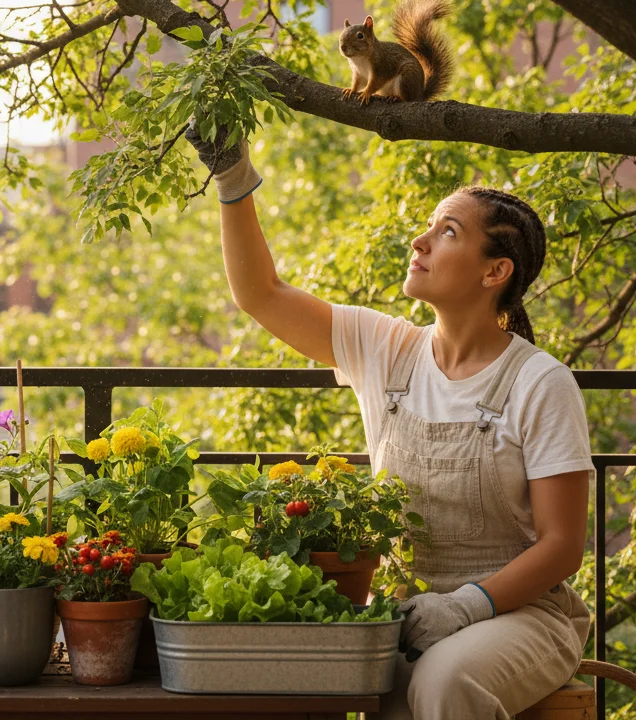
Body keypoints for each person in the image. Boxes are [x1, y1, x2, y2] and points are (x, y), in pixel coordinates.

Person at [187, 125, 594, 719]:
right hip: (402, 607)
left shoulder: (541, 383)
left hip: (523, 614)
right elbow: (261, 294)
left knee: (441, 684)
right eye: (428, 225)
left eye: (446, 232)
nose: (419, 239)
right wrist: (232, 178)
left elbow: (562, 548)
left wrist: (465, 606)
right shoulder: (385, 349)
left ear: (494, 272)